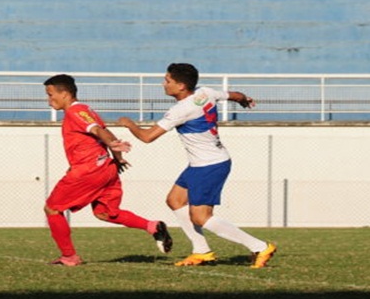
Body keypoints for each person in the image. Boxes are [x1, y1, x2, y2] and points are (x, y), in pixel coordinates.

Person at [117, 63, 276, 268]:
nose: (163, 84)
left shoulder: (181, 110)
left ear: (181, 86)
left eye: (168, 80)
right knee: (175, 200)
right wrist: (244, 99)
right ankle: (201, 252)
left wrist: (129, 124)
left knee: (200, 217)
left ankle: (260, 246)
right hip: (201, 163)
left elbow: (148, 137)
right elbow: (234, 95)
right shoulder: (205, 92)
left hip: (210, 165)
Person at [43, 74, 172, 266]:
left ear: (65, 93)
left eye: (50, 94)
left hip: (88, 170)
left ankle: (69, 256)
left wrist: (114, 145)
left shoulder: (75, 112)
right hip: (106, 167)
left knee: (52, 208)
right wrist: (117, 157)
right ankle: (153, 226)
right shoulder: (86, 110)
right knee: (105, 213)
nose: (48, 100)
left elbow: (98, 131)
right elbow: (102, 131)